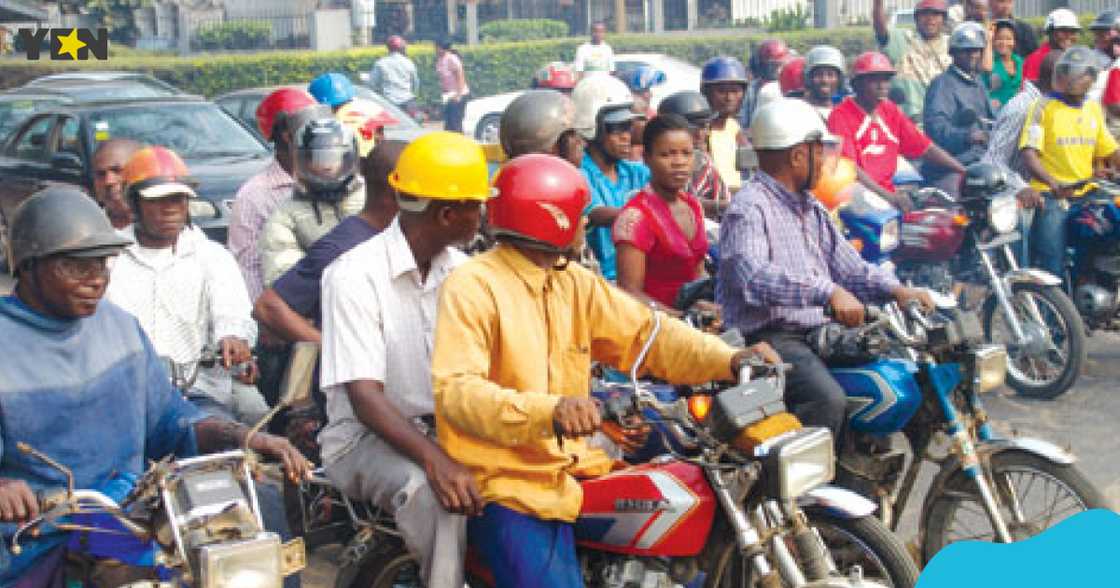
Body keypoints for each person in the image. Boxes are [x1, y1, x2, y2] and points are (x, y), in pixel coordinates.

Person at [430, 153, 778, 588]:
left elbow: (650, 336)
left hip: (580, 468)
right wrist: (551, 411)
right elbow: (457, 392)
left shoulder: (574, 281)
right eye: (579, 217)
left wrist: (728, 359)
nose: (585, 226)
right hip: (509, 483)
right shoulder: (473, 285)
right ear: (551, 220)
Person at [0, 186, 310, 585]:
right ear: (28, 267)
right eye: (76, 267)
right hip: (37, 534)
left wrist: (244, 437)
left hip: (129, 518)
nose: (96, 279)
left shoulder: (119, 327)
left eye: (102, 263)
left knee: (259, 534)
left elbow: (169, 420)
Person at [319, 132, 489, 588]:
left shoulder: (465, 272)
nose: (482, 215)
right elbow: (365, 398)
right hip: (362, 440)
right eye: (476, 205)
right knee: (436, 498)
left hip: (448, 430)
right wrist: (436, 460)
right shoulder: (354, 275)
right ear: (448, 213)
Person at [719, 98, 934, 437]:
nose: (824, 162)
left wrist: (898, 290)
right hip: (769, 336)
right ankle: (811, 487)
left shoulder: (811, 208)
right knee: (827, 400)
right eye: (819, 152)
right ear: (797, 155)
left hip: (816, 333)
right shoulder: (749, 207)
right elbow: (753, 277)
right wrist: (827, 291)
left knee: (894, 373)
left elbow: (851, 268)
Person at [105, 146, 266, 425]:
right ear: (134, 204)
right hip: (126, 393)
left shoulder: (211, 256)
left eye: (178, 199)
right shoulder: (110, 259)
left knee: (256, 418)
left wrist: (233, 338)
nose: (170, 208)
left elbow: (233, 311)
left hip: (201, 389)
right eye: (158, 200)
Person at [1020, 47, 1120, 280]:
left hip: (1087, 193)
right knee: (1052, 264)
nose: (1072, 80)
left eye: (1079, 75)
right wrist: (1052, 183)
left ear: (1091, 78)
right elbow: (1029, 152)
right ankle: (1050, 313)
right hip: (1053, 196)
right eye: (1068, 73)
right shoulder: (1043, 107)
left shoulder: (1093, 109)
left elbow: (1110, 149)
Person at [828, 52, 964, 209]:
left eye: (886, 79)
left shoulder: (889, 110)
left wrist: (961, 170)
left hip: (888, 196)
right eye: (874, 80)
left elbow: (924, 147)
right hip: (857, 200)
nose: (882, 86)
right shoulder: (840, 116)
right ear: (857, 84)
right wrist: (889, 198)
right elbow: (850, 168)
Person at [229, 88, 318, 303]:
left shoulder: (339, 179)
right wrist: (269, 321)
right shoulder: (254, 195)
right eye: (312, 124)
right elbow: (249, 268)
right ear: (288, 136)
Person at [260, 112, 365, 288]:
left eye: (333, 158)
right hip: (319, 305)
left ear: (349, 158)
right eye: (318, 159)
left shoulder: (370, 199)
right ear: (302, 160)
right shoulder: (286, 215)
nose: (326, 166)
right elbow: (282, 278)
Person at [614, 114, 708, 311]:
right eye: (667, 155)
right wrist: (680, 318)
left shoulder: (693, 206)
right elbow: (629, 292)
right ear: (647, 158)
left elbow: (698, 274)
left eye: (686, 153)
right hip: (657, 328)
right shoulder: (635, 217)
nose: (679, 162)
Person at [573, 74, 650, 280]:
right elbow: (596, 213)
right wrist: (652, 214)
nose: (626, 136)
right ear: (592, 127)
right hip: (603, 279)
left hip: (645, 272)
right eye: (616, 128)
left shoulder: (636, 171)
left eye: (627, 127)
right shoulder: (580, 174)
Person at [981, 49, 1054, 263]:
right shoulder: (1021, 107)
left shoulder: (1060, 106)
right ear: (1055, 80)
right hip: (1014, 192)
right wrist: (1021, 187)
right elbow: (993, 160)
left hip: (1048, 189)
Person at [923, 22, 994, 194]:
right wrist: (968, 136)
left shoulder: (977, 82)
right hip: (953, 165)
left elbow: (991, 120)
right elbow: (935, 130)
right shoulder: (942, 84)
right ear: (953, 53)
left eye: (976, 50)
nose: (972, 55)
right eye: (965, 50)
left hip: (983, 160)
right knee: (956, 212)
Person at [873, 0, 951, 121]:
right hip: (906, 123)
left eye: (935, 14)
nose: (930, 19)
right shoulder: (902, 39)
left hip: (942, 124)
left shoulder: (953, 45)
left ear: (944, 19)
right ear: (916, 19)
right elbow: (880, 29)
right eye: (924, 14)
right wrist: (878, 3)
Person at [657, 90, 730, 218]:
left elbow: (722, 195)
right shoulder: (656, 164)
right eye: (695, 127)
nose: (701, 134)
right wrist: (720, 206)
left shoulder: (704, 162)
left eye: (705, 127)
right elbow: (675, 204)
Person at [701, 56, 750, 193]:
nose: (729, 98)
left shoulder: (733, 126)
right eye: (722, 91)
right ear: (706, 93)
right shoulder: (701, 131)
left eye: (735, 91)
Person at [499, 89, 584, 166]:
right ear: (552, 146)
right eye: (572, 134)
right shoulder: (553, 181)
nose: (582, 143)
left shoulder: (506, 176)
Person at [90, 138, 142, 230]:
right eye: (100, 174)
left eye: (117, 171)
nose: (108, 181)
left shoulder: (167, 228)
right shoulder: (84, 227)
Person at [741, 38, 791, 128]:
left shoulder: (791, 87)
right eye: (772, 66)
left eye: (780, 66)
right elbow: (745, 123)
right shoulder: (752, 90)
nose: (778, 71)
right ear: (761, 65)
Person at [1023, 8, 1081, 83]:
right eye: (1063, 30)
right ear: (1050, 32)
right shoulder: (1038, 58)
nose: (1069, 36)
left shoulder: (1075, 57)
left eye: (1073, 31)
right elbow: (1032, 90)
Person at [371, 35, 421, 116]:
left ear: (388, 48)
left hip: (388, 103)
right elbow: (415, 83)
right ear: (402, 48)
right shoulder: (408, 62)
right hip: (408, 102)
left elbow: (372, 84)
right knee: (414, 126)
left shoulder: (380, 63)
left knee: (388, 128)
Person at [983, 19, 1024, 110]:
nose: (1004, 43)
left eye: (1008, 39)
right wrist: (988, 39)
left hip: (1017, 113)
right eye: (999, 38)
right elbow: (987, 68)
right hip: (995, 114)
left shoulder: (1019, 61)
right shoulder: (989, 60)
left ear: (1014, 41)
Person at [802, 45, 847, 120]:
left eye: (830, 75)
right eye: (818, 74)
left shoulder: (847, 113)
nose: (824, 80)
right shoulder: (800, 112)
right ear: (809, 78)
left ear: (839, 79)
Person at [436, 39, 470, 133]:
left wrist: (458, 95)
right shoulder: (440, 59)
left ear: (441, 48)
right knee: (448, 125)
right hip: (448, 95)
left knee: (455, 123)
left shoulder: (451, 58)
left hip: (457, 94)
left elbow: (460, 76)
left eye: (437, 47)